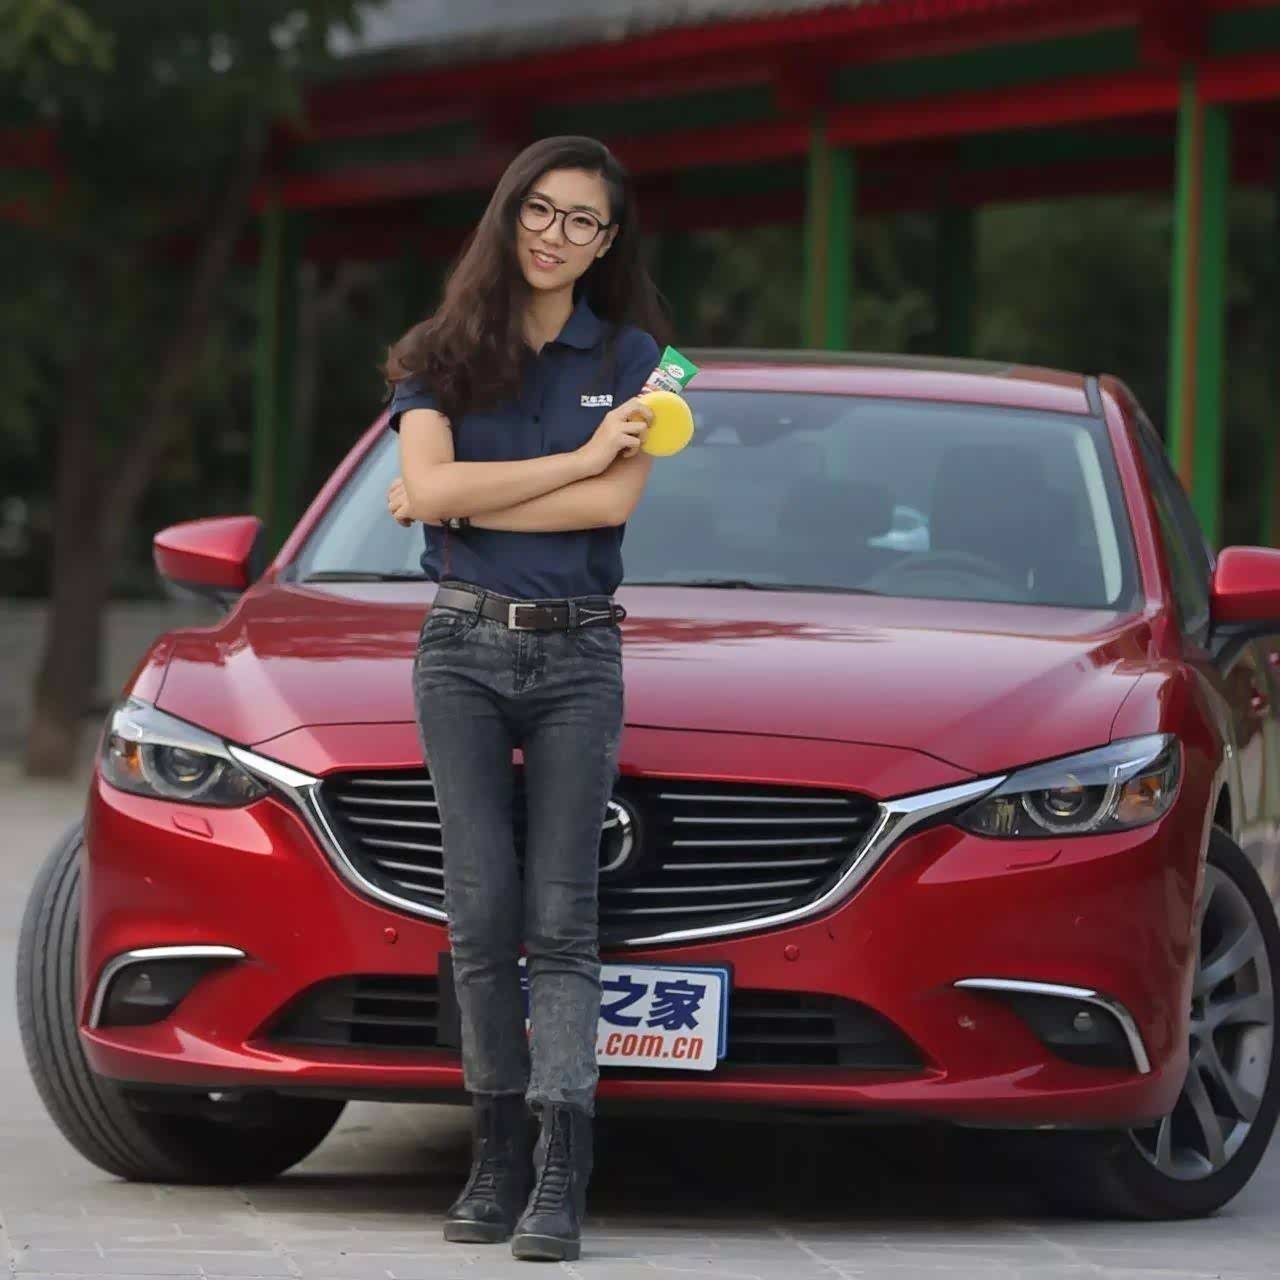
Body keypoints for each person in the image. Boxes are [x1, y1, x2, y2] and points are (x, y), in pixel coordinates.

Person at [381, 135, 670, 1261]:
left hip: (579, 652)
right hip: (458, 648)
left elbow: (606, 511)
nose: (555, 235)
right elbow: (435, 484)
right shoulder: (437, 351)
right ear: (508, 216)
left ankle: (560, 1166)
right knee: (479, 913)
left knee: (560, 916)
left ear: (607, 242)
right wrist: (581, 456)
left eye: (581, 220)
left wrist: (461, 496)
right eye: (539, 210)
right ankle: (493, 1153)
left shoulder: (644, 359)